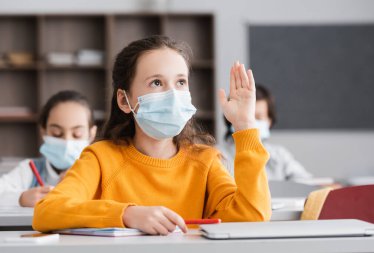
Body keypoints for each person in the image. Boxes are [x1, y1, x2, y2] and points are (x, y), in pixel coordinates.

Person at [33, 35, 271, 235]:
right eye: (156, 83)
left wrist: (245, 125)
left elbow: (252, 216)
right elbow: (46, 212)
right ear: (124, 100)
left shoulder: (206, 161)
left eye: (180, 82)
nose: (172, 94)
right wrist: (126, 214)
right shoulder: (100, 158)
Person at [0, 90, 97, 207]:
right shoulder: (29, 170)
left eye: (77, 134)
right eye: (57, 133)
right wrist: (20, 198)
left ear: (92, 133)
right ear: (43, 131)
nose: (67, 142)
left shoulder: (102, 173)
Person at [221, 84, 312, 181]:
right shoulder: (217, 156)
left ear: (270, 121)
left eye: (258, 117)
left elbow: (308, 183)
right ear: (230, 118)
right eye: (247, 116)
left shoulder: (279, 155)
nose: (250, 123)